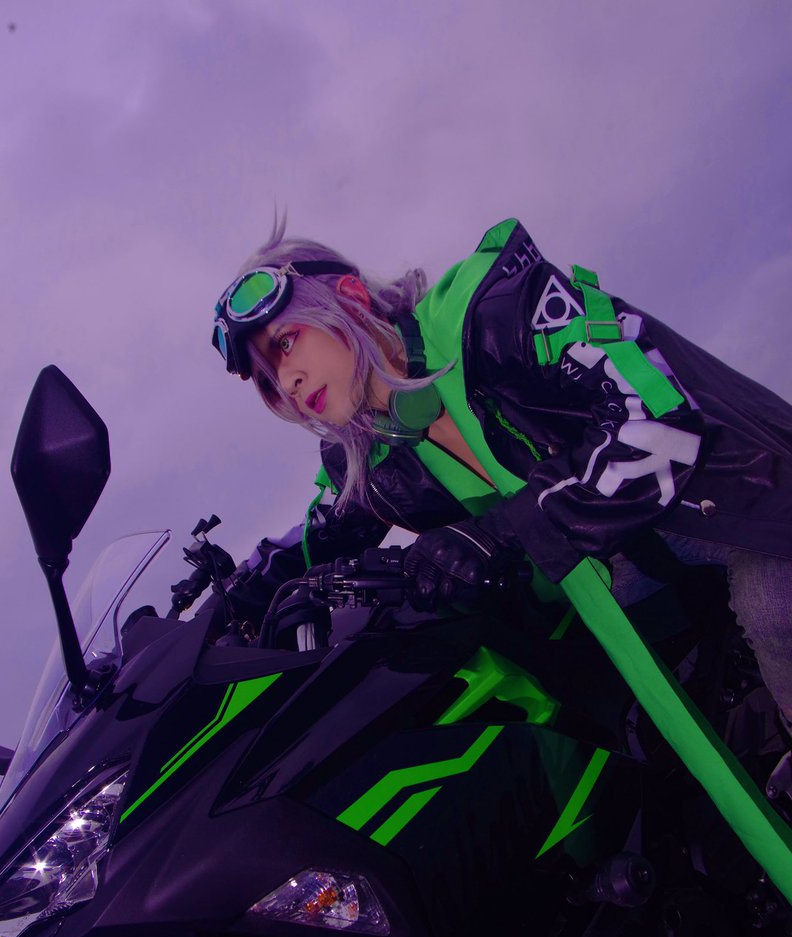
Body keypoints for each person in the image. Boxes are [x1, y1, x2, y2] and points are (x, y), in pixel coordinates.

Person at [210, 215, 792, 769]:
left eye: (286, 342)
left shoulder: (490, 308)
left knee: (774, 606)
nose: (287, 381)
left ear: (351, 297)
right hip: (617, 569)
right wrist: (219, 609)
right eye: (267, 378)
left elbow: (655, 416)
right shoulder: (366, 458)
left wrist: (503, 530)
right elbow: (316, 537)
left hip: (734, 499)